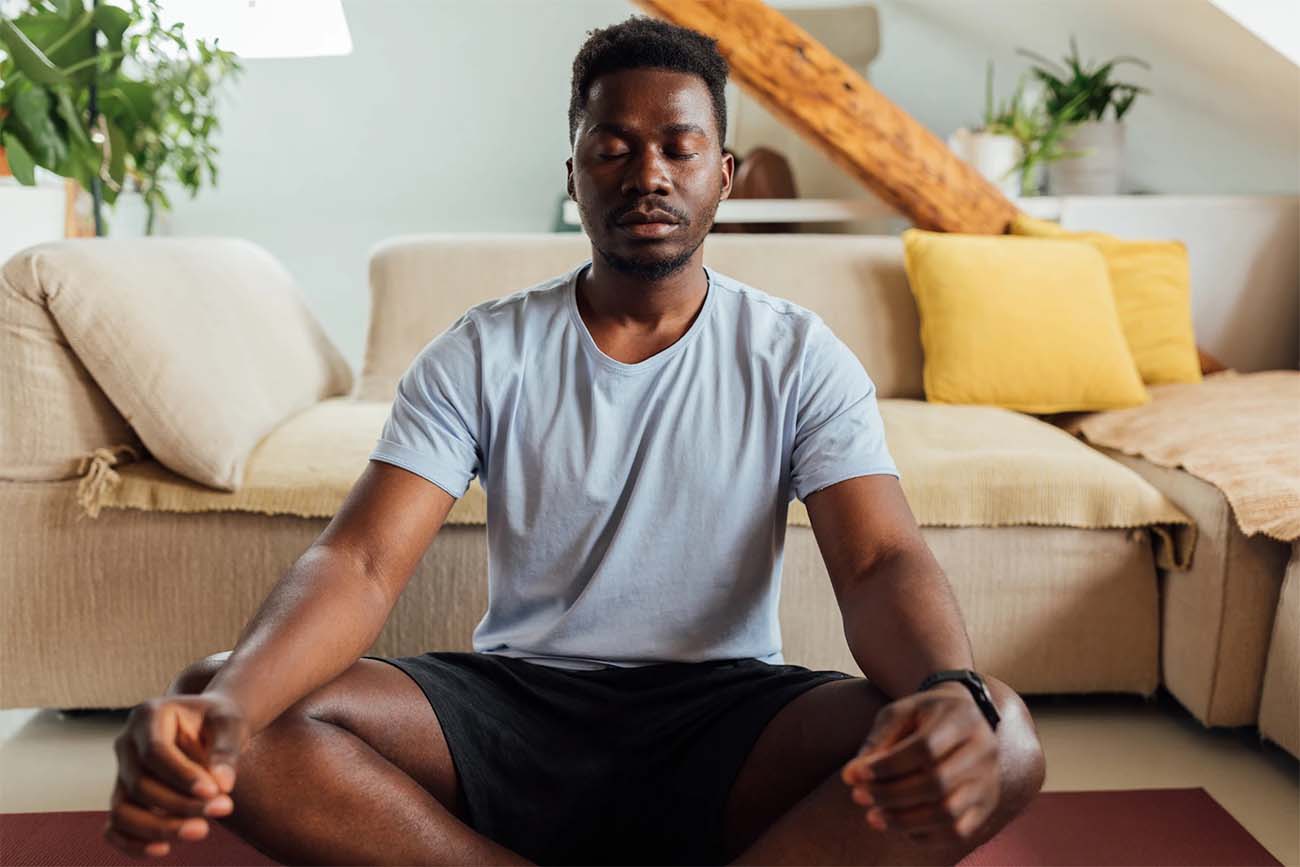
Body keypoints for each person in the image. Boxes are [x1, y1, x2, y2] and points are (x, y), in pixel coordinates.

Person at [105, 15, 1044, 866]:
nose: (648, 174)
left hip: (727, 718)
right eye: (613, 147)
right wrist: (222, 714)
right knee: (229, 697)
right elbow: (358, 563)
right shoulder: (484, 348)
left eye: (679, 147)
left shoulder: (799, 355)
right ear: (573, 174)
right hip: (517, 707)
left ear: (723, 172)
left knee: (997, 733)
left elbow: (879, 559)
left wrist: (947, 689)